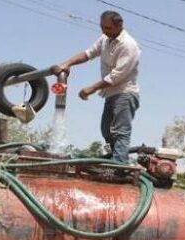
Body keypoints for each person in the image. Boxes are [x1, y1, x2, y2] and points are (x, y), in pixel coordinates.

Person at [51, 11, 141, 164]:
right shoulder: (105, 39)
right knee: (106, 129)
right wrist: (67, 63)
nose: (104, 31)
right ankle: (116, 158)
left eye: (108, 28)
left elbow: (116, 76)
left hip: (125, 93)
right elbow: (88, 54)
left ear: (120, 25)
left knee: (120, 131)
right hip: (111, 94)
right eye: (102, 27)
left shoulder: (129, 45)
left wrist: (91, 89)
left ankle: (119, 164)